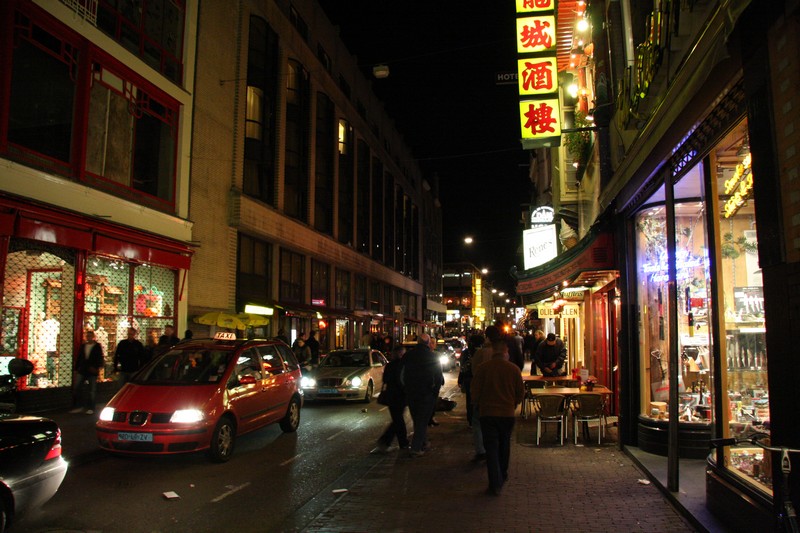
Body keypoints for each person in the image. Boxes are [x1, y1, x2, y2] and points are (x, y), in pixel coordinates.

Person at [471, 336, 525, 496]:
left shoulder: (483, 369)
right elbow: (520, 393)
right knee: (504, 444)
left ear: (494, 351)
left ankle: (495, 481)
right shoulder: (513, 369)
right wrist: (513, 404)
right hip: (506, 414)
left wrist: (479, 405)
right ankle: (503, 473)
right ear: (506, 352)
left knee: (491, 448)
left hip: (487, 414)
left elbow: (475, 392)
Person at [401, 333, 444, 457]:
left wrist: (406, 388)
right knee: (422, 420)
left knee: (418, 419)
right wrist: (435, 392)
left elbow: (401, 374)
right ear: (428, 343)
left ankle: (423, 442)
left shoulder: (408, 356)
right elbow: (438, 377)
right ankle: (416, 447)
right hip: (427, 393)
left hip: (412, 392)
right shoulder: (433, 356)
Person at [373, 345, 409, 453]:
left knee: (397, 419)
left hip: (390, 395)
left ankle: (390, 441)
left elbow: (385, 379)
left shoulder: (389, 365)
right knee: (398, 420)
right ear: (401, 354)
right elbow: (403, 380)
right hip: (400, 396)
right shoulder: (403, 365)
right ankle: (394, 442)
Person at [70, 330, 105, 415]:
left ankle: (91, 407)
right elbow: (80, 357)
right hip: (83, 369)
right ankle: (80, 406)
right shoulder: (83, 346)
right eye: (87, 336)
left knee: (92, 390)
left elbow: (100, 358)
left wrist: (96, 368)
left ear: (93, 337)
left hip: (91, 370)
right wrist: (76, 368)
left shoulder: (97, 346)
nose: (88, 338)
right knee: (78, 387)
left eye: (89, 336)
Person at [458, 333, 486, 428]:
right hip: (481, 379)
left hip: (469, 378)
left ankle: (471, 420)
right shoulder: (484, 352)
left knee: (470, 400)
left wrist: (460, 379)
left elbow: (463, 367)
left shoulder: (467, 352)